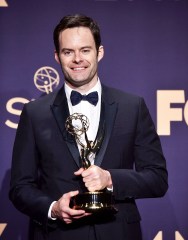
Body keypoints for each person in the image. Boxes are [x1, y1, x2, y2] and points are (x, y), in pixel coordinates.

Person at [9, 14, 168, 240]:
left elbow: (157, 179)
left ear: (99, 52)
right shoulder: (35, 113)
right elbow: (20, 187)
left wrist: (110, 178)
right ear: (57, 56)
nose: (77, 59)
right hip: (58, 235)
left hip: (119, 232)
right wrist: (53, 208)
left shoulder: (132, 107)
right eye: (68, 52)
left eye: (85, 50)